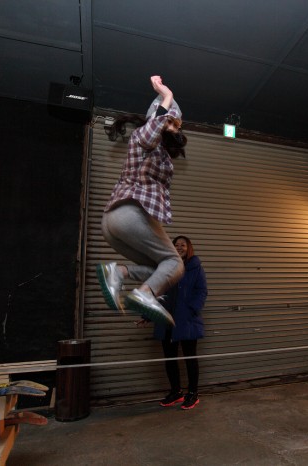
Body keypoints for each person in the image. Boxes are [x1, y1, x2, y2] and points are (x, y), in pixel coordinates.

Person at [97, 76, 188, 326]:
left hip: (113, 222)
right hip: (131, 213)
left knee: (163, 269)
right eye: (170, 121)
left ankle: (119, 273)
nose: (175, 127)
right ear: (160, 118)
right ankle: (145, 294)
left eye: (177, 123)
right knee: (175, 263)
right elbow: (150, 133)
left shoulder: (157, 150)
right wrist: (166, 96)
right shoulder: (144, 137)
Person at [155, 235, 208, 410]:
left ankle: (192, 393)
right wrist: (148, 314)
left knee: (190, 358)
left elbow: (201, 291)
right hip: (166, 320)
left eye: (183, 245)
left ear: (188, 248)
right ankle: (176, 392)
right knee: (170, 359)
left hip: (187, 320)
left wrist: (191, 309)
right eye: (176, 245)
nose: (179, 247)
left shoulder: (195, 267)